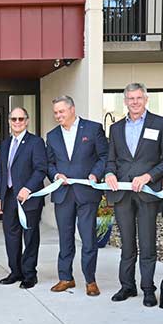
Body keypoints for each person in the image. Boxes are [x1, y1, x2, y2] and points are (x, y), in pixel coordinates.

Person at [105, 82, 163, 307]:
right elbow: (111, 159)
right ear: (125, 101)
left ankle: (147, 289)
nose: (134, 102)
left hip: (147, 192)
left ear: (145, 100)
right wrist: (108, 173)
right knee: (126, 244)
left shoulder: (160, 124)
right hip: (122, 193)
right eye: (130, 98)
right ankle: (127, 286)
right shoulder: (115, 128)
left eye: (138, 98)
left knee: (147, 243)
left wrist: (148, 177)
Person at [45, 96, 108, 296]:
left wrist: (95, 174)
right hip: (63, 193)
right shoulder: (52, 135)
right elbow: (49, 163)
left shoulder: (93, 129)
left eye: (61, 111)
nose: (58, 116)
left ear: (72, 109)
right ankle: (66, 278)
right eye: (55, 112)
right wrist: (55, 174)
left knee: (88, 238)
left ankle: (90, 280)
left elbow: (104, 157)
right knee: (65, 238)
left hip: (86, 192)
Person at [0, 107, 47, 289]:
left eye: (21, 119)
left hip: (29, 199)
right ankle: (15, 271)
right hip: (8, 198)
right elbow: (1, 171)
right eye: (14, 119)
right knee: (11, 236)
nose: (17, 122)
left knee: (30, 236)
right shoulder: (5, 143)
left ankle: (30, 275)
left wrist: (28, 188)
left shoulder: (36, 142)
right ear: (9, 121)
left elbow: (41, 169)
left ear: (27, 121)